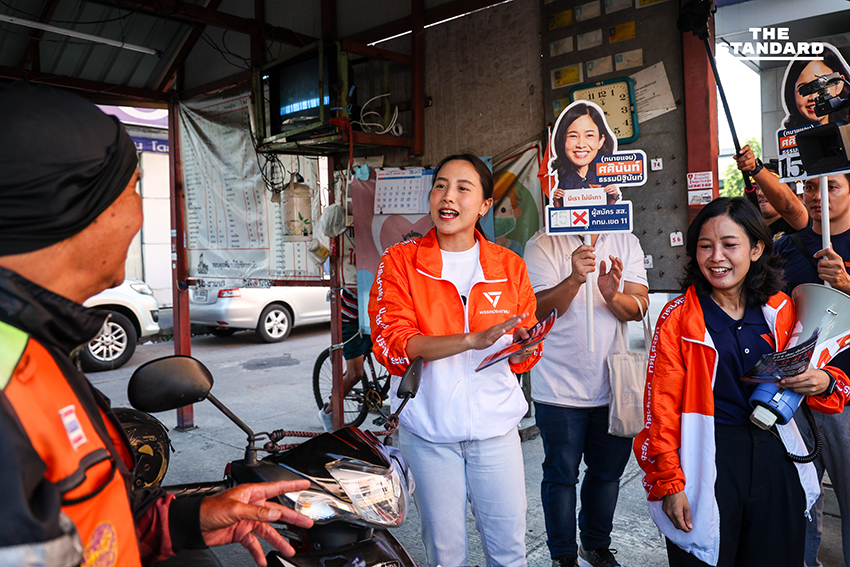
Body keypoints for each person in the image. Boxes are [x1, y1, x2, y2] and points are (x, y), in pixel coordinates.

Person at [0, 82, 313, 567]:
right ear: (74, 206)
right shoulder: (9, 383)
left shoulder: (36, 348)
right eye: (132, 190)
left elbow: (92, 523)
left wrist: (184, 519)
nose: (139, 214)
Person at [634, 197, 849, 567]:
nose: (716, 257)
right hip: (709, 457)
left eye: (730, 245)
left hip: (775, 456)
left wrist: (824, 382)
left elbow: (827, 374)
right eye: (705, 246)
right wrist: (669, 484)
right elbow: (660, 409)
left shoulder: (783, 309)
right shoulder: (679, 318)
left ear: (756, 249)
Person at [368, 153, 542, 567]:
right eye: (441, 186)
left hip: (496, 432)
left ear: (484, 205)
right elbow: (393, 342)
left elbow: (523, 358)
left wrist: (524, 343)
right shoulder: (400, 262)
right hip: (429, 435)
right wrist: (470, 340)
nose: (448, 196)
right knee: (446, 556)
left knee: (509, 552)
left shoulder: (509, 266)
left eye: (464, 188)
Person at [523, 216, 648, 565]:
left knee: (607, 473)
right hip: (558, 387)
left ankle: (595, 545)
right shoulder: (542, 243)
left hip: (615, 384)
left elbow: (639, 307)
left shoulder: (625, 239)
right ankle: (562, 556)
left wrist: (611, 294)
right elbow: (536, 309)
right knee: (561, 476)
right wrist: (575, 279)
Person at [774, 174, 850, 567]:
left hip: (848, 401)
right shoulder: (785, 248)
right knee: (800, 501)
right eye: (809, 188)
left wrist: (847, 284)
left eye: (831, 186)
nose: (818, 195)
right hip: (796, 397)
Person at [317, 285, 371, 431]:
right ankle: (327, 412)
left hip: (374, 316)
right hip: (352, 321)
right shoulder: (355, 264)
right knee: (355, 373)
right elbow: (356, 287)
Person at [549, 102, 619, 206]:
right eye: (573, 136)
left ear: (601, 141)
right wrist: (557, 200)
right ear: (563, 141)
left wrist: (613, 196)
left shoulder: (604, 177)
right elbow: (561, 216)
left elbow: (609, 213)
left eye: (589, 135)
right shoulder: (565, 179)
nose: (581, 145)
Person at [734, 146, 806, 237]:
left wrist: (755, 168)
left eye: (768, 190)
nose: (760, 193)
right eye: (756, 188)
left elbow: (788, 205)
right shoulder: (744, 231)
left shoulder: (799, 222)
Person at [783, 45, 850, 129]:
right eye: (804, 87)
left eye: (823, 83)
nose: (814, 97)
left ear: (839, 83)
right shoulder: (789, 137)